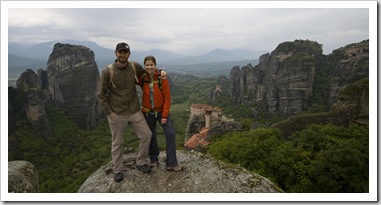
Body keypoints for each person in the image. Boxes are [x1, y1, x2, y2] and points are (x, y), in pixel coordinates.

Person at [98, 42, 160, 182]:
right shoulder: (108, 72)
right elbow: (101, 95)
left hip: (133, 110)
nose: (122, 55)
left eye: (125, 52)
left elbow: (148, 73)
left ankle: (141, 161)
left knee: (146, 134)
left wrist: (159, 72)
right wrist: (110, 113)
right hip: (117, 113)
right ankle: (118, 169)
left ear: (129, 54)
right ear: (116, 53)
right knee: (117, 142)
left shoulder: (134, 66)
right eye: (120, 52)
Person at [138, 55, 183, 172]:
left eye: (151, 65)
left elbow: (167, 98)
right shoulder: (142, 77)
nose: (149, 67)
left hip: (161, 112)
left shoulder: (162, 78)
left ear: (155, 65)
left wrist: (164, 115)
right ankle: (153, 159)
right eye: (147, 65)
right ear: (144, 66)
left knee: (170, 133)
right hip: (148, 113)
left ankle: (171, 163)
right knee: (151, 135)